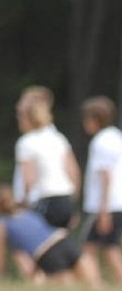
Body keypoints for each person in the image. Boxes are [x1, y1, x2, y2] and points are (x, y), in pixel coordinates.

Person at [80, 95, 122, 289]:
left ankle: (95, 286)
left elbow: (106, 176)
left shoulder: (101, 142)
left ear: (94, 120)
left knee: (88, 248)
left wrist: (103, 210)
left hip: (105, 205)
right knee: (111, 248)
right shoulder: (119, 136)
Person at [0, 183, 98, 285]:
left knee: (77, 284)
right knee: (87, 281)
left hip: (54, 247)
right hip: (55, 246)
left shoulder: (20, 214)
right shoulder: (19, 215)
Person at [13, 87, 81, 228]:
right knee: (57, 245)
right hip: (65, 199)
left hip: (44, 201)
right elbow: (74, 172)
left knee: (32, 246)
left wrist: (23, 204)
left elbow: (29, 180)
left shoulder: (26, 142)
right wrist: (71, 205)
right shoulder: (59, 138)